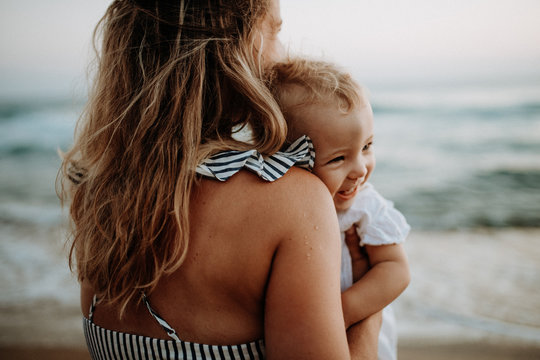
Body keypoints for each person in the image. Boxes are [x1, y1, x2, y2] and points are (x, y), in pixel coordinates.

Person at [60, 1, 382, 359]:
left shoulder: (98, 192)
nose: (283, 54)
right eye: (274, 31)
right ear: (230, 49)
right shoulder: (293, 203)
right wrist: (371, 309)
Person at [268, 58, 411, 360]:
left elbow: (396, 270)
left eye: (367, 147)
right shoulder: (280, 210)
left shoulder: (365, 206)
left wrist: (343, 312)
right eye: (337, 159)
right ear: (288, 159)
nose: (360, 169)